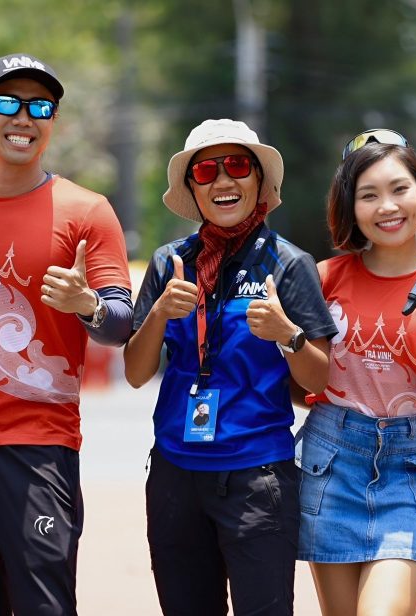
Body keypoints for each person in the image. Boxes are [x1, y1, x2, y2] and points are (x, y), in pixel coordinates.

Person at [0, 53, 133, 616]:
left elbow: (120, 323)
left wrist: (87, 304)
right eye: (7, 103)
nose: (24, 118)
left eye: (40, 107)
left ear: (52, 121)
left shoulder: (87, 212)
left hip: (37, 449)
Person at [123, 119, 336, 616]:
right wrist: (159, 314)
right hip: (175, 475)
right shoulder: (170, 262)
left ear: (259, 180)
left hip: (257, 478)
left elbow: (319, 380)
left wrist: (286, 334)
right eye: (206, 171)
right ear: (192, 188)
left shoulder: (288, 264)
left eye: (238, 166)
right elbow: (135, 373)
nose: (223, 180)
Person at [297, 129, 416, 616]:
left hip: (412, 465)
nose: (387, 206)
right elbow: (304, 386)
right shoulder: (324, 278)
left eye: (400, 188)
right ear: (351, 207)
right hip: (331, 459)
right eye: (368, 195)